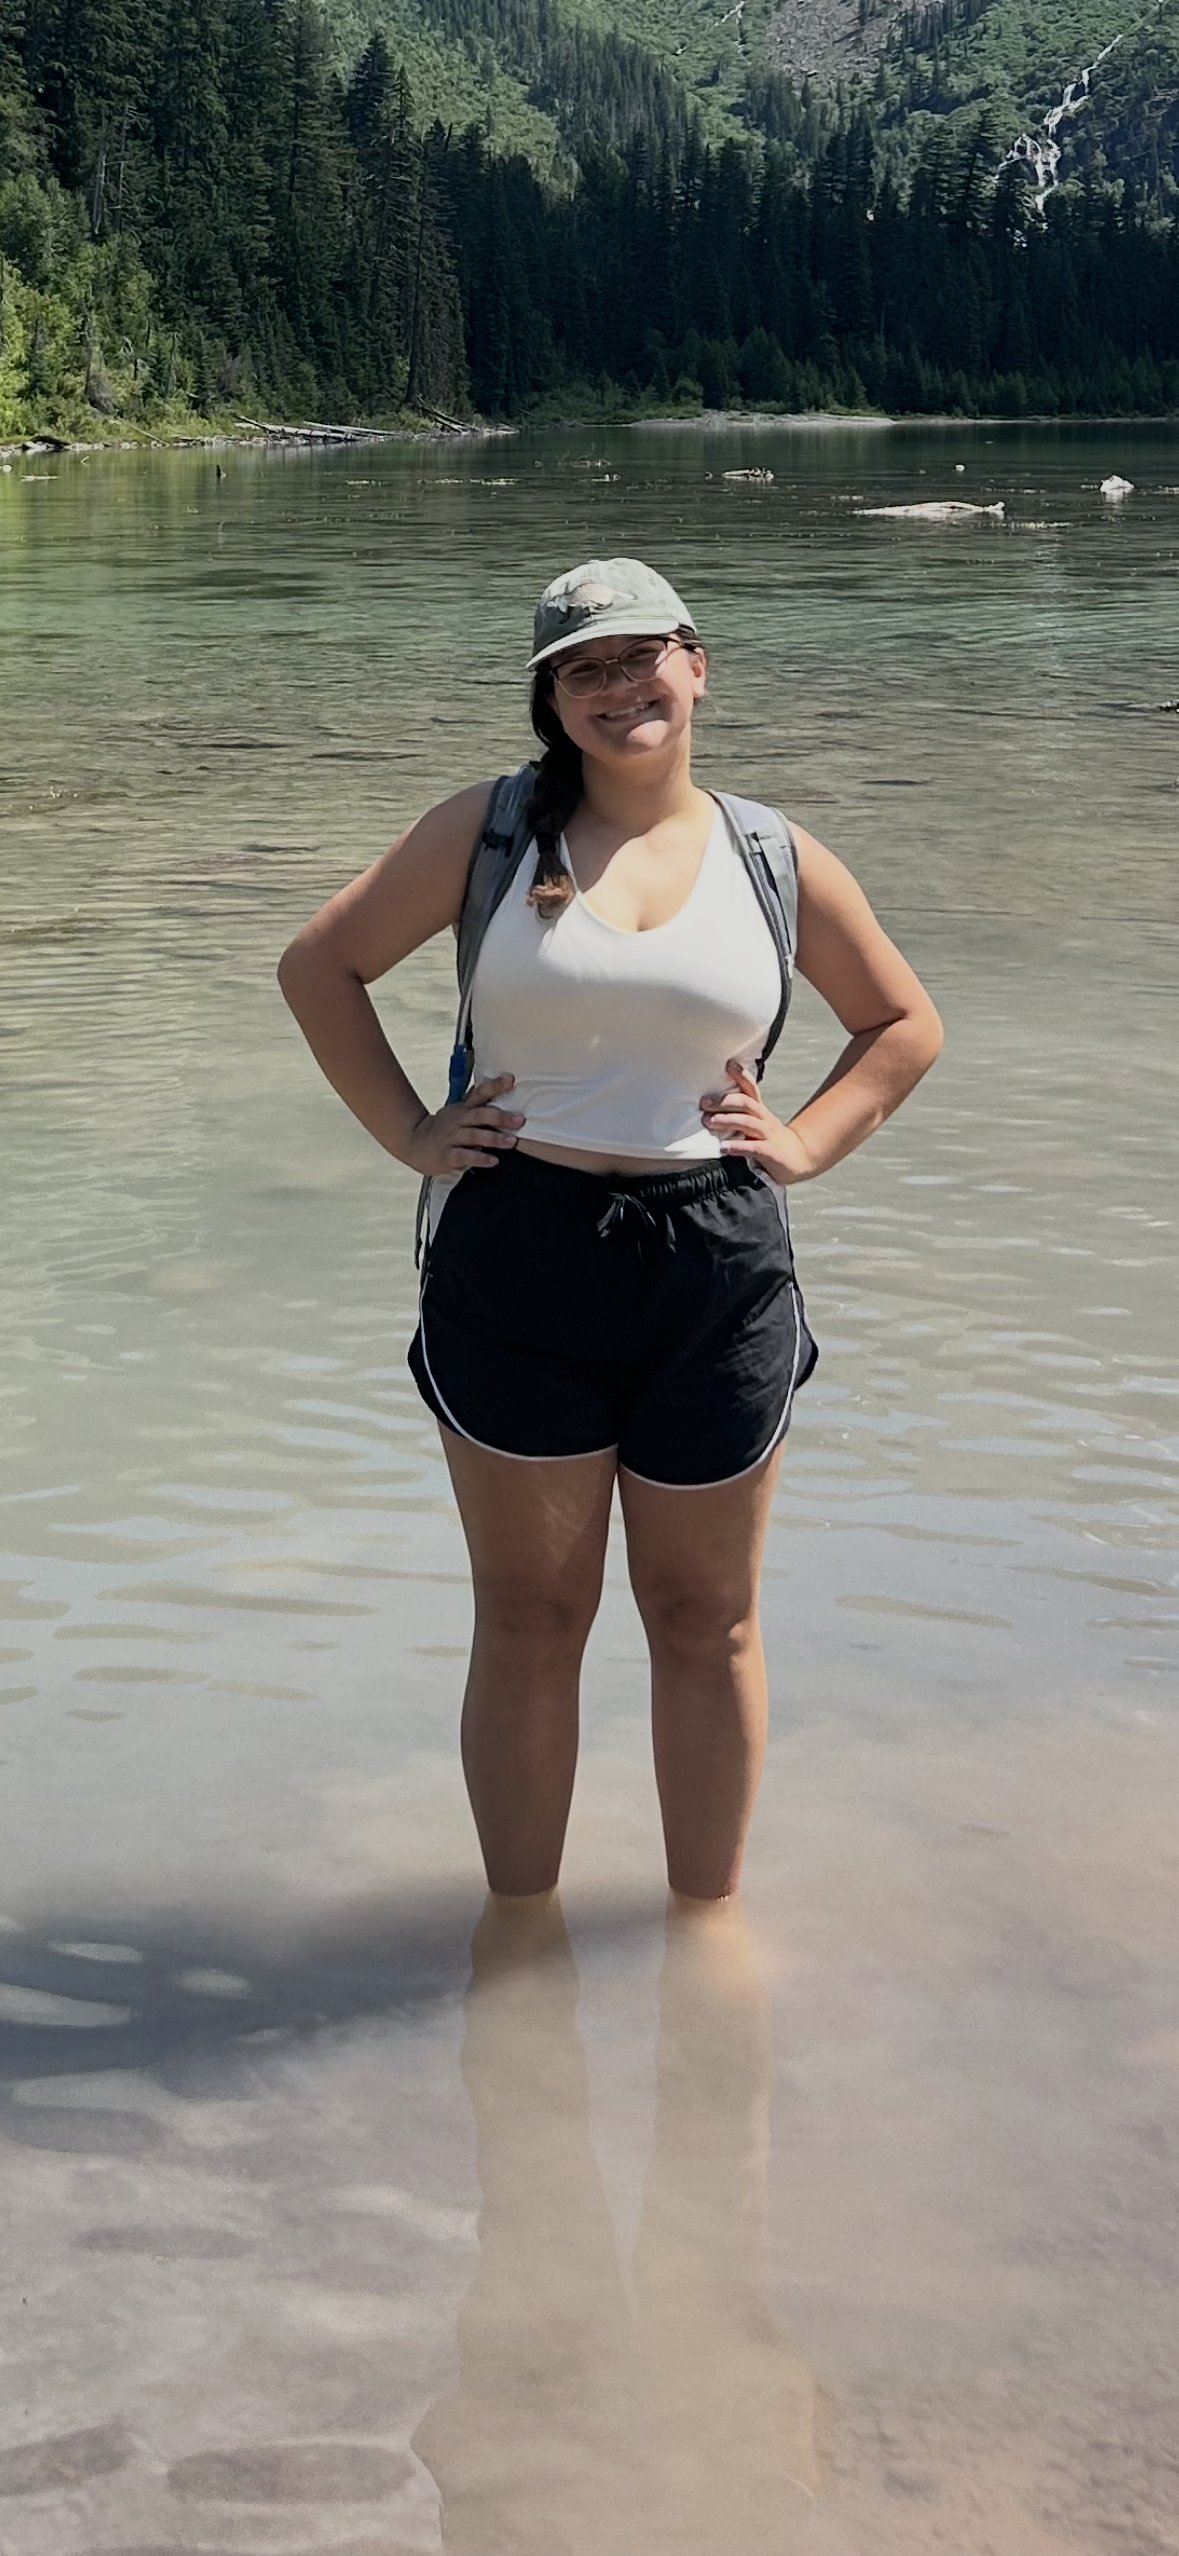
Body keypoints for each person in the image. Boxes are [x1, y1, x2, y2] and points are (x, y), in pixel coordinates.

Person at [277, 557, 942, 1903]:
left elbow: (901, 1024)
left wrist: (805, 1142)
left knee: (707, 1622)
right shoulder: (487, 834)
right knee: (529, 1621)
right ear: (550, 697)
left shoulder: (772, 853)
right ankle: (514, 1943)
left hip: (714, 1260)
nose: (617, 684)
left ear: (696, 663)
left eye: (641, 655)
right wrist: (413, 1134)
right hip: (516, 1247)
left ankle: (704, 1942)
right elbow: (319, 967)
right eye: (583, 666)